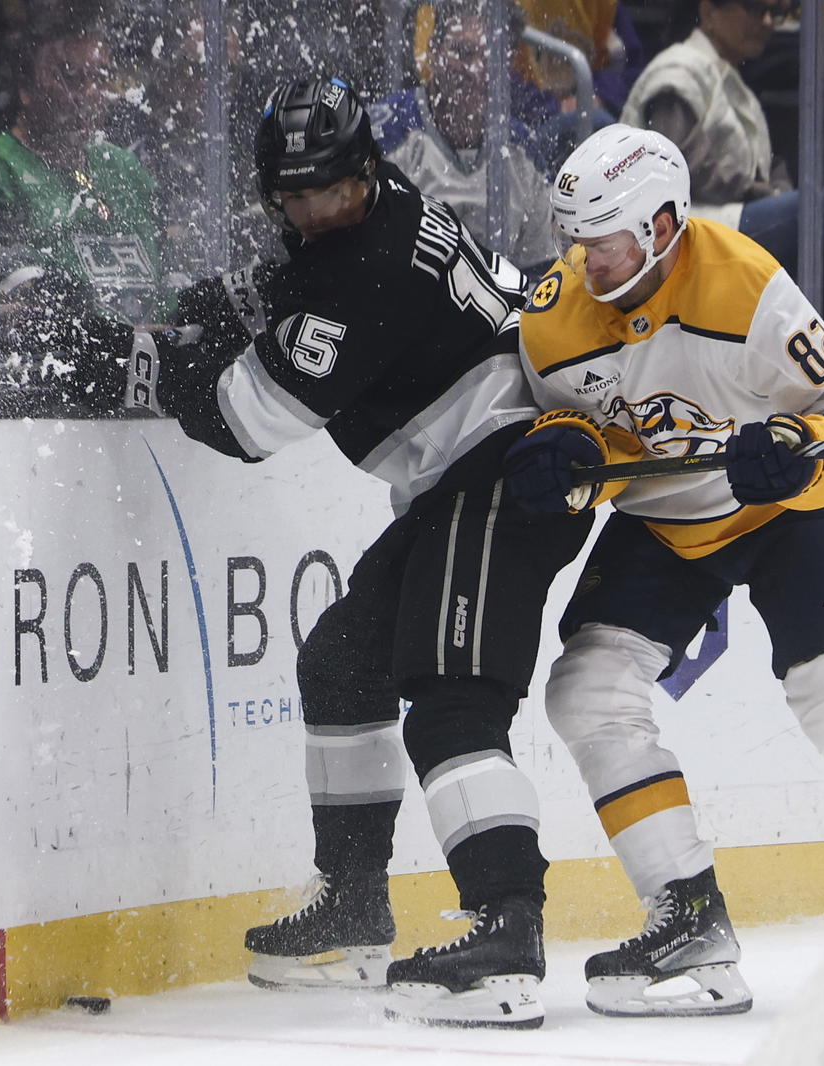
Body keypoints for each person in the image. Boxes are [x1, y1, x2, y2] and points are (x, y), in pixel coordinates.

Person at [58, 75, 593, 1030]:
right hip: (472, 479)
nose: (312, 208)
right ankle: (354, 908)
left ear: (366, 168)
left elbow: (246, 421)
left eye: (328, 187)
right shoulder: (373, 222)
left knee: (453, 704)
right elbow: (283, 304)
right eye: (293, 194)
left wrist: (130, 357)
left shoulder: (361, 271)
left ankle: (508, 928)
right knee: (343, 661)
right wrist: (217, 319)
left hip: (506, 474)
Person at [502, 123, 824, 1017]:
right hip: (668, 520)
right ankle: (689, 919)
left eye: (603, 241)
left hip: (780, 511)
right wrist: (568, 452)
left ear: (664, 226)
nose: (582, 260)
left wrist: (797, 448)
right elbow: (593, 435)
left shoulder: (747, 288)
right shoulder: (551, 322)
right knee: (585, 692)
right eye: (572, 240)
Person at [619, 0, 824, 276]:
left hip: (731, 214)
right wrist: (768, 193)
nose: (767, 22)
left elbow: (767, 163)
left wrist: (776, 190)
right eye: (755, 9)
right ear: (708, 12)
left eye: (774, 12)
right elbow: (677, 171)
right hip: (698, 224)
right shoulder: (677, 72)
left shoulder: (724, 73)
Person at [0, 19, 172, 326]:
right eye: (71, 77)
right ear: (26, 88)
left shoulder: (124, 168)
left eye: (102, 79)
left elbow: (169, 284)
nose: (92, 94)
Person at [372, 0, 557, 274]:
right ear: (433, 53)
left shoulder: (523, 150)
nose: (475, 69)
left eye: (490, 57)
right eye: (464, 52)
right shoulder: (387, 135)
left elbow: (541, 272)